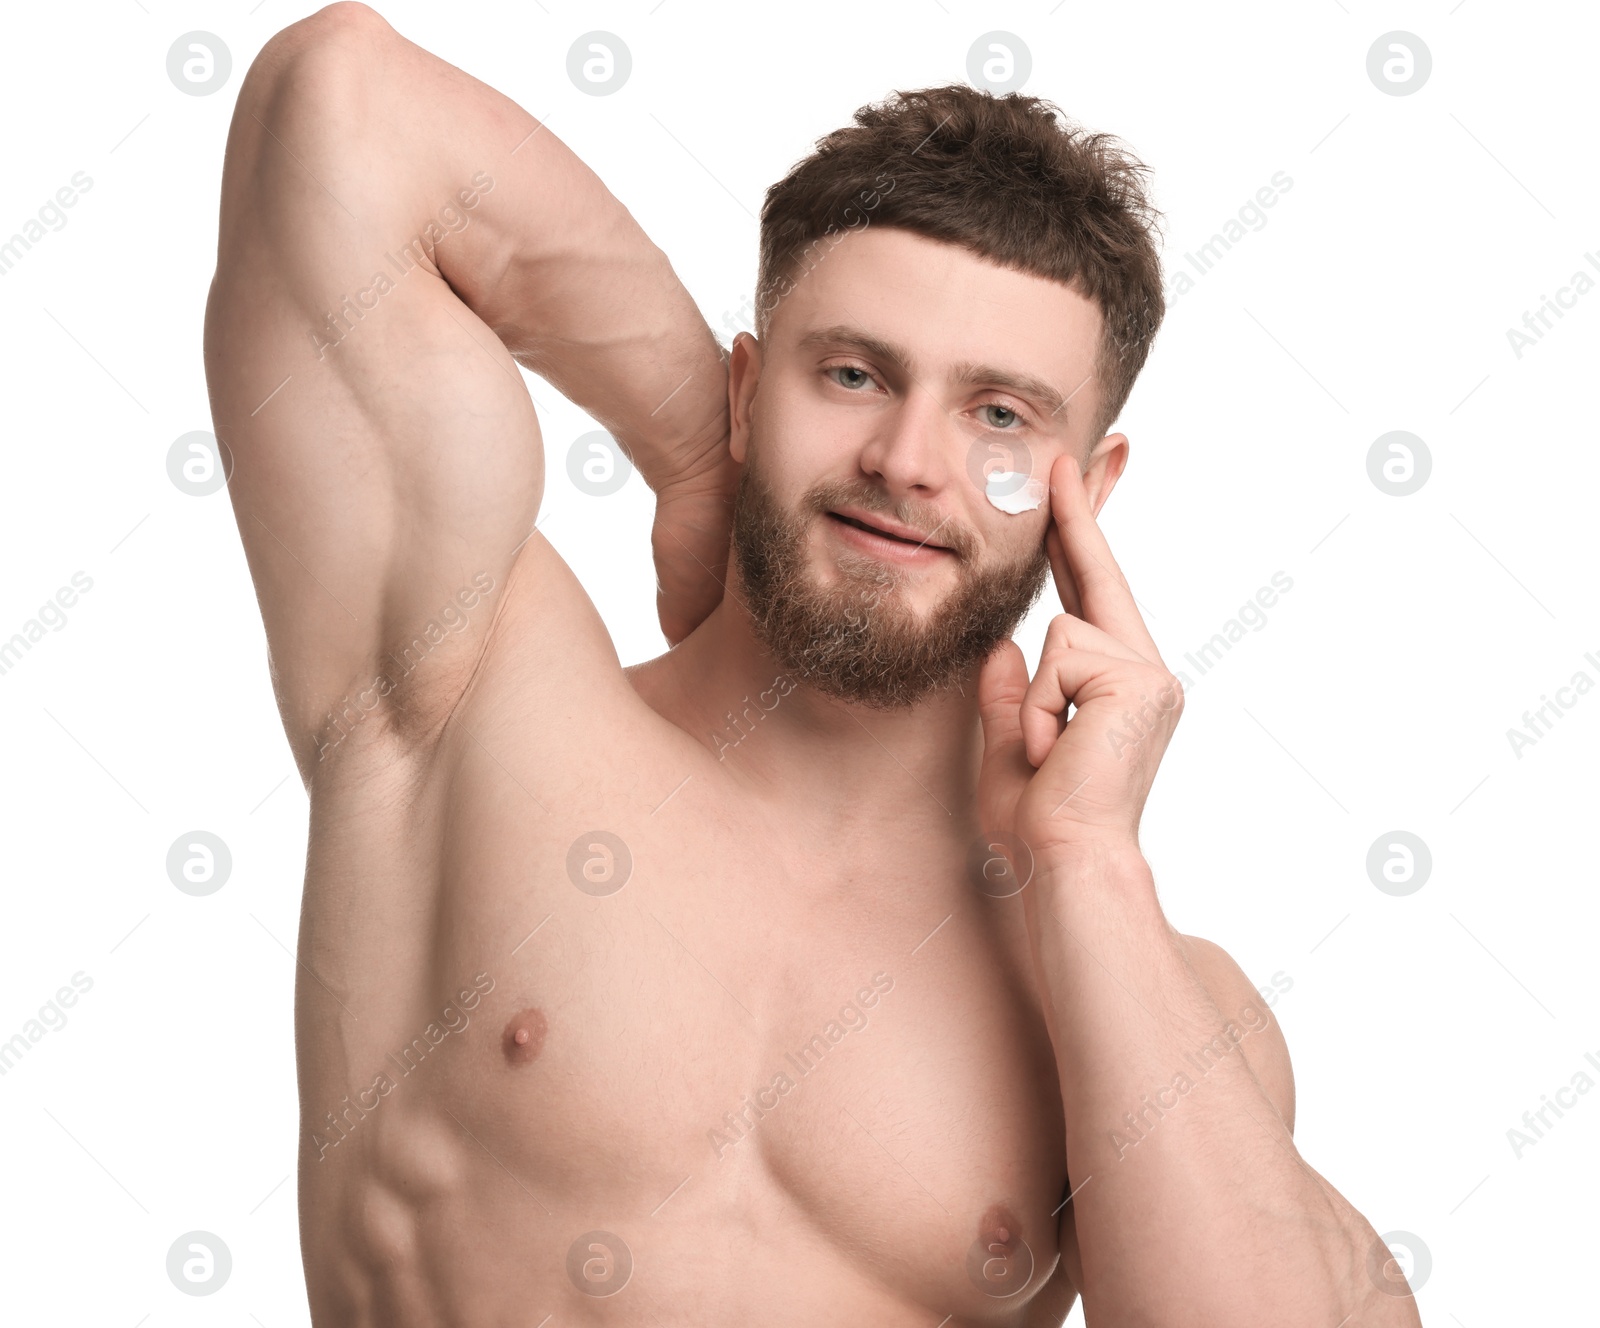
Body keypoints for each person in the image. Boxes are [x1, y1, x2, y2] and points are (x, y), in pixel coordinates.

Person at [204, 4, 1420, 1323]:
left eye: (998, 415)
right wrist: (686, 461)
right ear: (748, 390)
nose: (907, 459)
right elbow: (338, 105)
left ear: (1089, 482)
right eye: (850, 374)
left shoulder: (1141, 988)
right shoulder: (465, 702)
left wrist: (1086, 867)